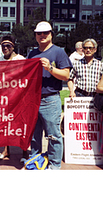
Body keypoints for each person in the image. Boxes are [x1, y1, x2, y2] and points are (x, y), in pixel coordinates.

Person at [27, 21, 72, 170]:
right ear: (35, 36)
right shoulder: (32, 53)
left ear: (51, 34)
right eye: (39, 33)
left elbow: (66, 75)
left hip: (51, 99)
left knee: (53, 135)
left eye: (45, 33)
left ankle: (54, 165)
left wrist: (51, 68)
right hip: (33, 99)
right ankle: (34, 160)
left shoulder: (59, 52)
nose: (42, 36)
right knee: (34, 134)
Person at [0, 35, 28, 162]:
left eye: (8, 46)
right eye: (3, 46)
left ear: (13, 47)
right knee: (6, 124)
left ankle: (25, 151)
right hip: (5, 97)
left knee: (22, 124)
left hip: (19, 97)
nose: (5, 48)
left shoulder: (21, 59)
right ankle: (6, 150)